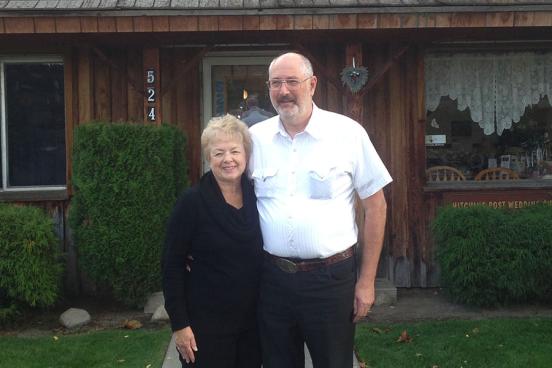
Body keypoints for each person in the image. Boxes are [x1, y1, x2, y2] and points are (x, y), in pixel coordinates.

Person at [248, 52, 392, 368]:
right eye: (275, 83)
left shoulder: (347, 133)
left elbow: (376, 206)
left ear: (312, 84)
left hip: (330, 281)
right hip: (272, 281)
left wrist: (366, 281)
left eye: (292, 82)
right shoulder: (255, 140)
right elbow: (229, 201)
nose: (283, 91)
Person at [163, 114, 263, 368]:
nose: (228, 159)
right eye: (218, 153)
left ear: (246, 155)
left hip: (253, 325)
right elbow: (172, 265)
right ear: (209, 158)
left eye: (234, 151)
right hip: (205, 328)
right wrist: (180, 325)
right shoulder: (192, 202)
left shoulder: (259, 195)